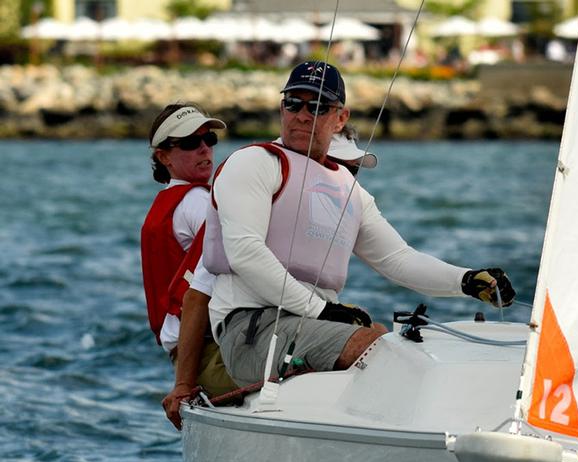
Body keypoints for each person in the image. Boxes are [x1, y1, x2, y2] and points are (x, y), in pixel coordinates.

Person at [204, 61, 515, 387]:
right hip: (253, 327)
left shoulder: (350, 191)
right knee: (378, 349)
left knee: (391, 342)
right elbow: (245, 253)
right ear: (282, 108)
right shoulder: (254, 163)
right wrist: (321, 311)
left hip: (309, 323)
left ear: (341, 118)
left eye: (318, 106)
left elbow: (398, 259)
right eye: (293, 103)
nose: (302, 114)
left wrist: (465, 281)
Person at [161, 124, 379, 429]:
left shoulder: (322, 207)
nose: (341, 180)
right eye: (335, 167)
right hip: (222, 351)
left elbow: (399, 259)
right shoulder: (250, 212)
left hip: (275, 331)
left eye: (350, 173)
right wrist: (182, 385)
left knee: (383, 338)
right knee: (372, 348)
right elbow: (196, 297)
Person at [141, 103, 239, 427]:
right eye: (189, 143)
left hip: (183, 353)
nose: (204, 149)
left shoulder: (167, 204)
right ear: (163, 156)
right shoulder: (198, 203)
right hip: (206, 353)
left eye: (209, 139)